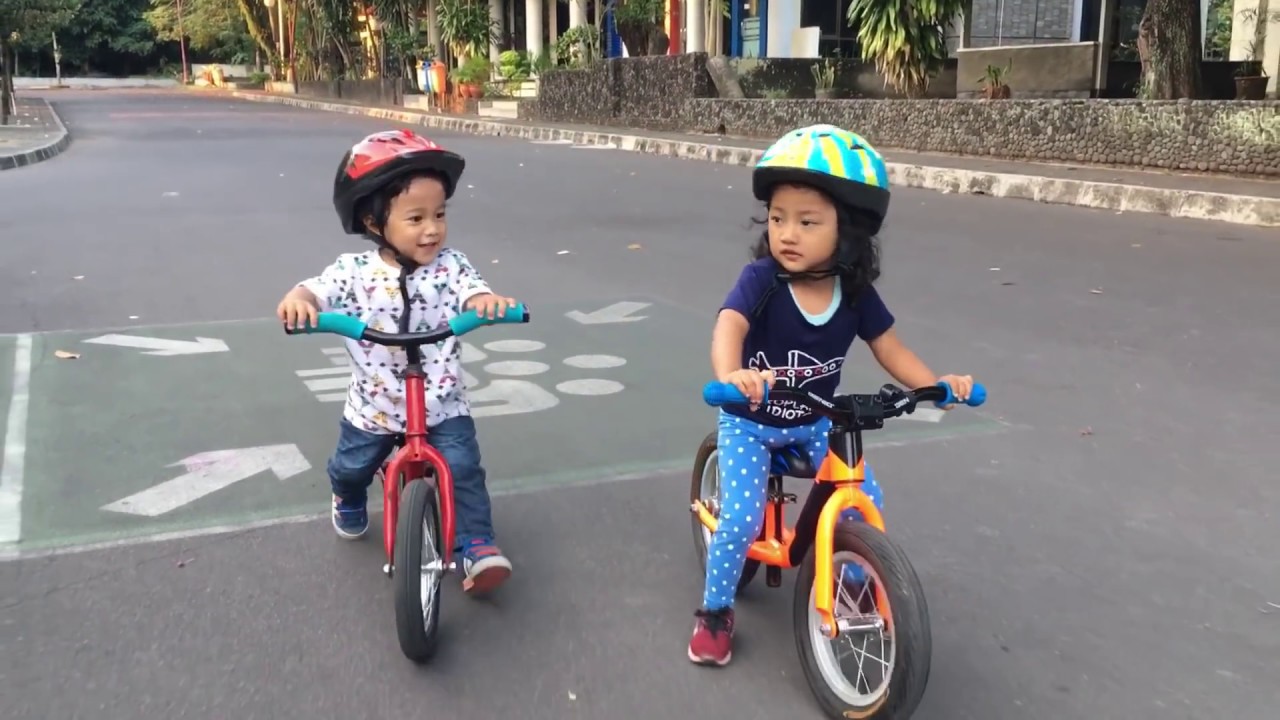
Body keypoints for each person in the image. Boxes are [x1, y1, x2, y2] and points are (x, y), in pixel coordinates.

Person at [688, 124, 975, 666]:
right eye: (777, 219)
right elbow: (729, 325)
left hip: (815, 422)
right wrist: (733, 376)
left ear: (847, 233)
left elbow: (888, 347)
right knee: (742, 520)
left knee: (866, 500)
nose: (787, 233)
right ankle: (715, 612)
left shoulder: (854, 294)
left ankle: (852, 577)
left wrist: (935, 386)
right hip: (750, 420)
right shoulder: (762, 280)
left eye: (806, 221)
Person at [276, 129, 518, 596]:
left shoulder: (451, 266)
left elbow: (473, 290)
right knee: (351, 466)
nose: (433, 229)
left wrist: (487, 301)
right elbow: (315, 289)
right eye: (416, 217)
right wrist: (299, 301)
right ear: (373, 220)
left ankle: (477, 546)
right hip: (376, 406)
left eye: (440, 214)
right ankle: (346, 495)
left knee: (464, 469)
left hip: (442, 403)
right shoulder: (355, 272)